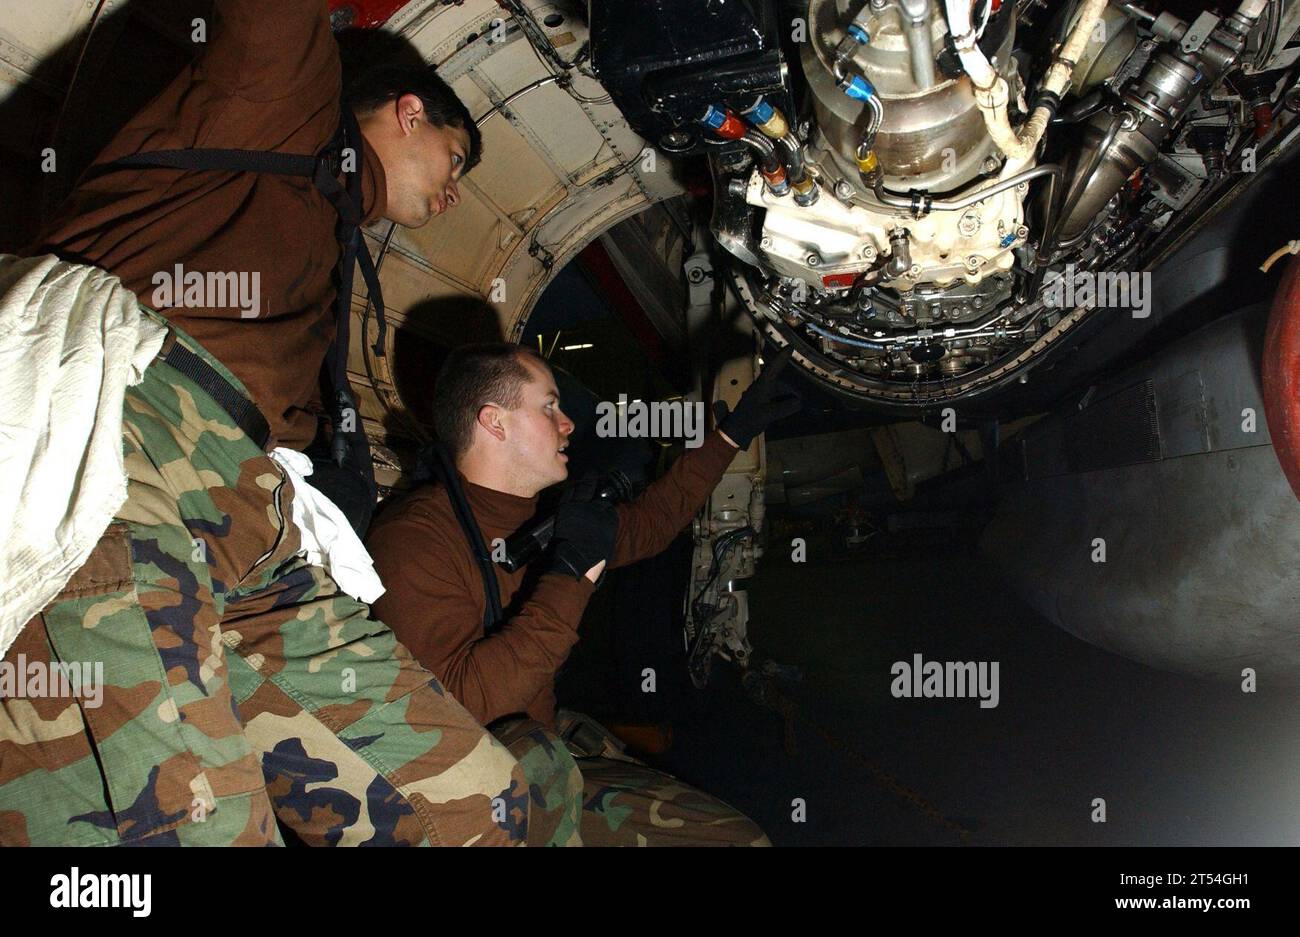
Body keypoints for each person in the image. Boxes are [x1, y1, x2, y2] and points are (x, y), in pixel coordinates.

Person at [0, 0, 530, 847]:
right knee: (192, 826)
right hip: (131, 445)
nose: (454, 188)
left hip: (252, 515)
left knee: (480, 810)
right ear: (407, 111)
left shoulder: (327, 233)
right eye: (455, 154)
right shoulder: (289, 96)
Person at [366, 342, 800, 845]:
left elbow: (653, 523)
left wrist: (730, 436)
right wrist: (571, 575)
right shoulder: (414, 541)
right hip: (475, 799)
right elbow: (458, 708)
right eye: (549, 406)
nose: (567, 422)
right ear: (494, 422)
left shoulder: (538, 516)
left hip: (542, 752)